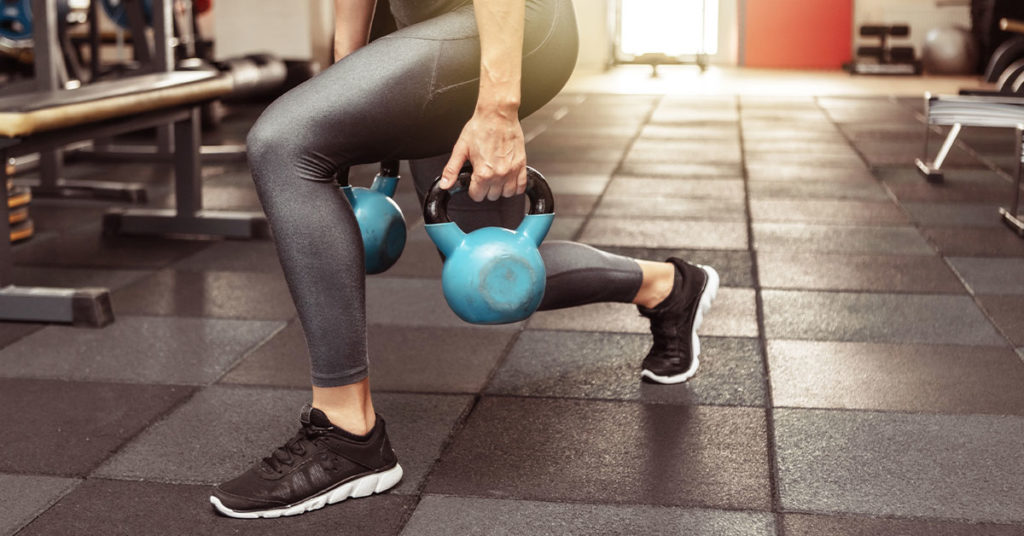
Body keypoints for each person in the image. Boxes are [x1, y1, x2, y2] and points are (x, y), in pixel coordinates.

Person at [209, 0, 718, 519]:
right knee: (489, 271)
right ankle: (669, 287)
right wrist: (346, 72)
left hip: (510, 23)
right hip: (421, 27)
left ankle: (345, 433)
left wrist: (498, 108)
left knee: (282, 141)